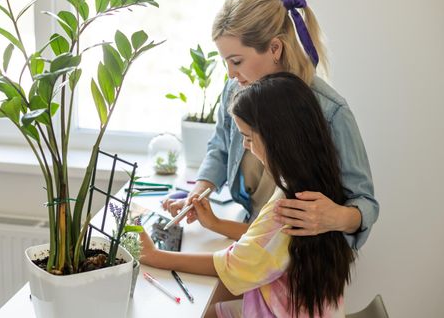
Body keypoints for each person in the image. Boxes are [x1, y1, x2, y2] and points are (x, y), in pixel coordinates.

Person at [163, 0, 378, 250]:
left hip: (304, 260)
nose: (230, 74)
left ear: (275, 48)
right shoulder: (236, 91)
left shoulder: (330, 111)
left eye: (237, 61)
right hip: (254, 239)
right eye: (225, 62)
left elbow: (364, 202)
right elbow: (220, 148)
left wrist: (336, 216)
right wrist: (198, 193)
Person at [141, 73, 355, 317]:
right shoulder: (316, 182)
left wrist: (157, 257)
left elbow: (232, 263)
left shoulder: (288, 204)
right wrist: (216, 224)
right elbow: (267, 239)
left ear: (277, 139)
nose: (244, 146)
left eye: (248, 137)